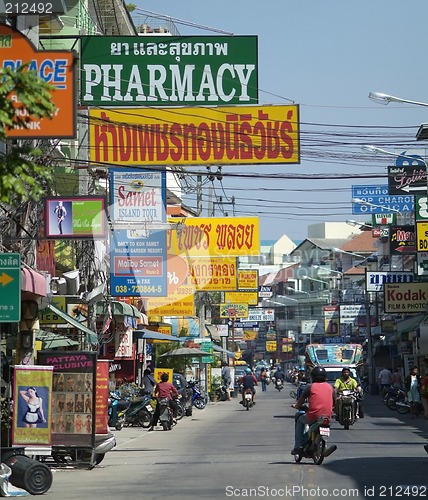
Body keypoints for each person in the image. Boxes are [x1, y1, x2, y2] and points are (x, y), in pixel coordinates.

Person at [291, 366, 335, 455]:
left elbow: (301, 400)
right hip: (327, 416)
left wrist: (296, 406)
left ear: (312, 376)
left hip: (314, 415)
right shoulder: (331, 387)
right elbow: (335, 401)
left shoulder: (310, 387)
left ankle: (297, 446)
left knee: (299, 419)